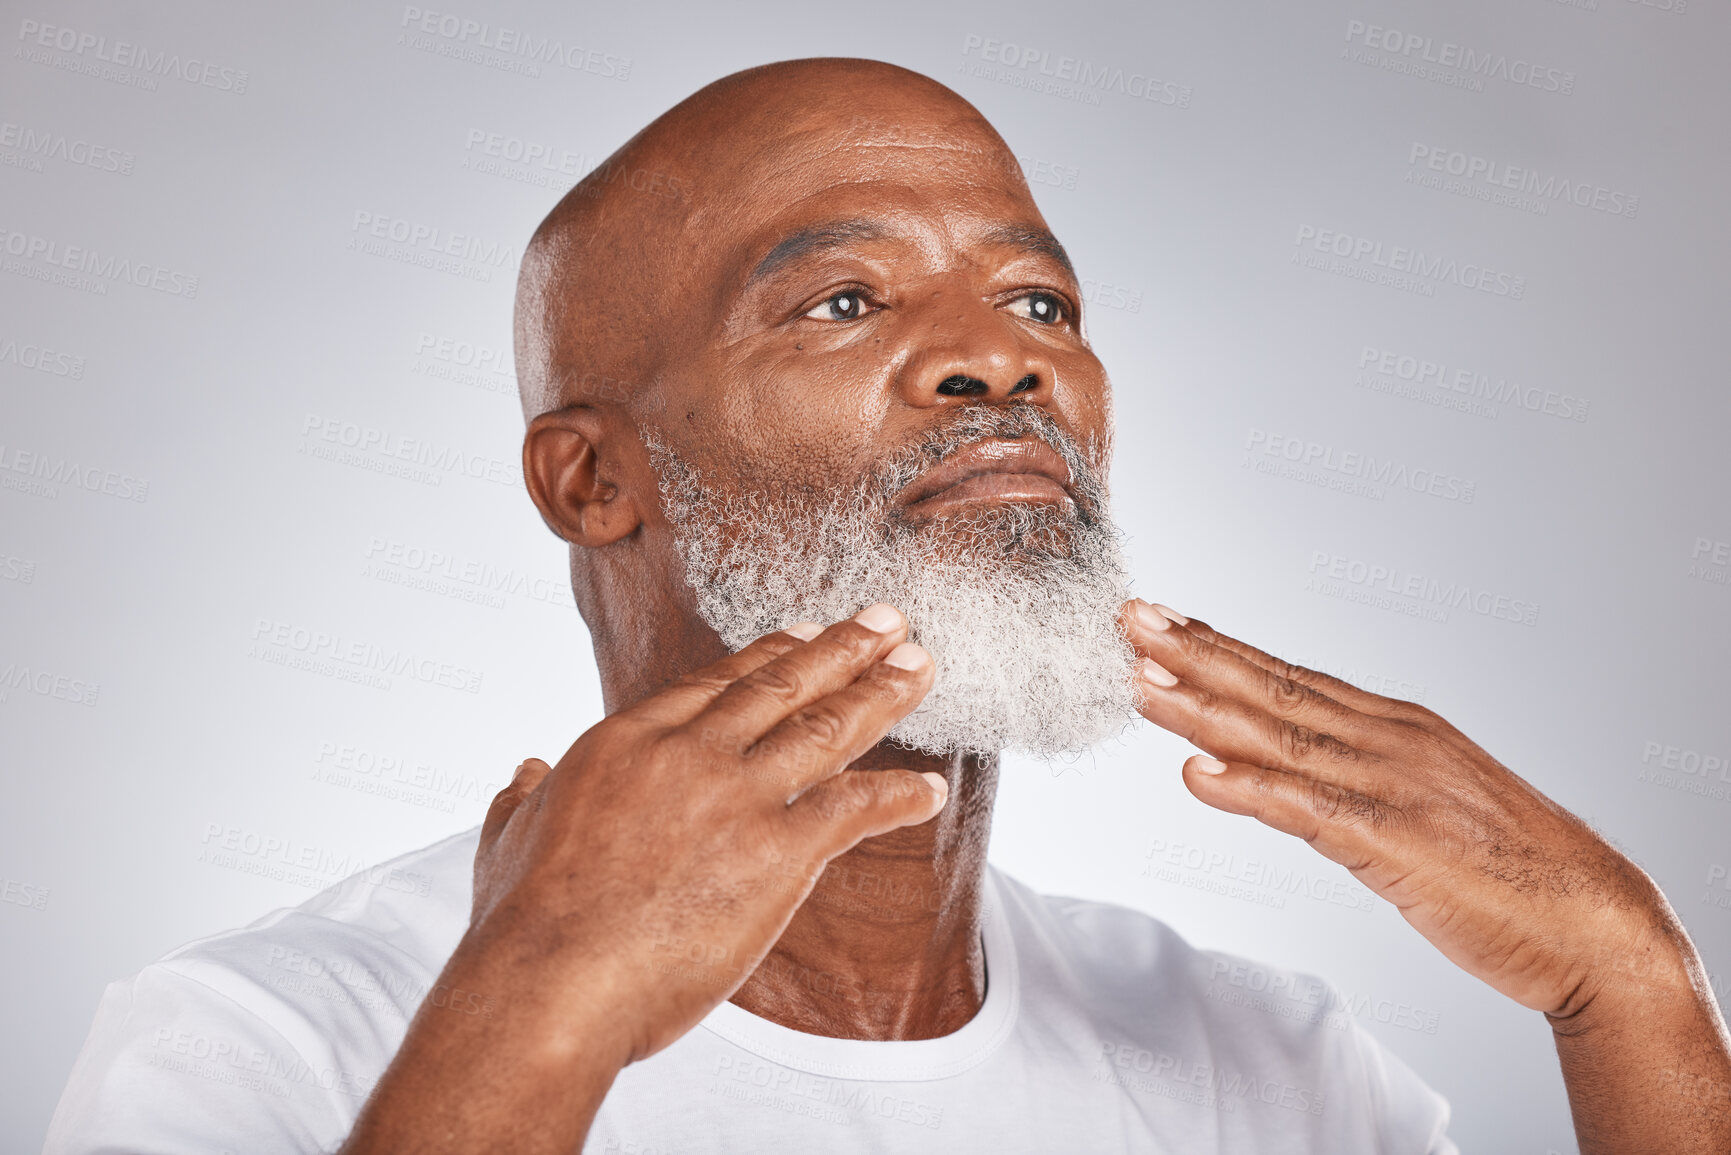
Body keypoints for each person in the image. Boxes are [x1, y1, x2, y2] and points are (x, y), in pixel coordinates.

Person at [45, 58, 1731, 1154]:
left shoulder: (1256, 1065)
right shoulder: (264, 1043)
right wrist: (535, 1012)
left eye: (1038, 298)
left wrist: (1626, 986)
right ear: (590, 482)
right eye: (841, 298)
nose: (1003, 356)